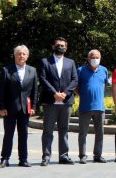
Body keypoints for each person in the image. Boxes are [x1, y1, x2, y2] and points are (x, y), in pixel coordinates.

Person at [39, 37, 78, 166]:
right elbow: (43, 79)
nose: (60, 47)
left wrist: (65, 93)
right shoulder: (45, 62)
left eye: (62, 45)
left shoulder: (70, 62)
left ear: (66, 48)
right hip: (50, 101)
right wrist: (54, 93)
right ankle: (46, 156)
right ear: (53, 46)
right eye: (58, 45)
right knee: (48, 130)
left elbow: (74, 80)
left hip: (66, 102)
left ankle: (63, 156)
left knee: (64, 129)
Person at [0, 45, 37, 168]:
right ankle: (5, 159)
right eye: (19, 54)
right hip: (9, 109)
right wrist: (1, 107)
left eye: (24, 54)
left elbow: (34, 91)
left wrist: (34, 106)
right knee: (8, 134)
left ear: (27, 56)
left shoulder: (32, 70)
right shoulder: (6, 70)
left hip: (25, 109)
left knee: (23, 134)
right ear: (15, 56)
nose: (21, 56)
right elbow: (1, 91)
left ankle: (23, 159)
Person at [76, 49, 109, 164]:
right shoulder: (80, 70)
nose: (95, 59)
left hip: (100, 107)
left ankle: (98, 155)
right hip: (85, 107)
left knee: (100, 133)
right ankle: (82, 155)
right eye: (93, 57)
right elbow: (75, 86)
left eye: (97, 57)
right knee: (83, 133)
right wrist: (83, 94)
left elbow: (104, 84)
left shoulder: (104, 70)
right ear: (88, 59)